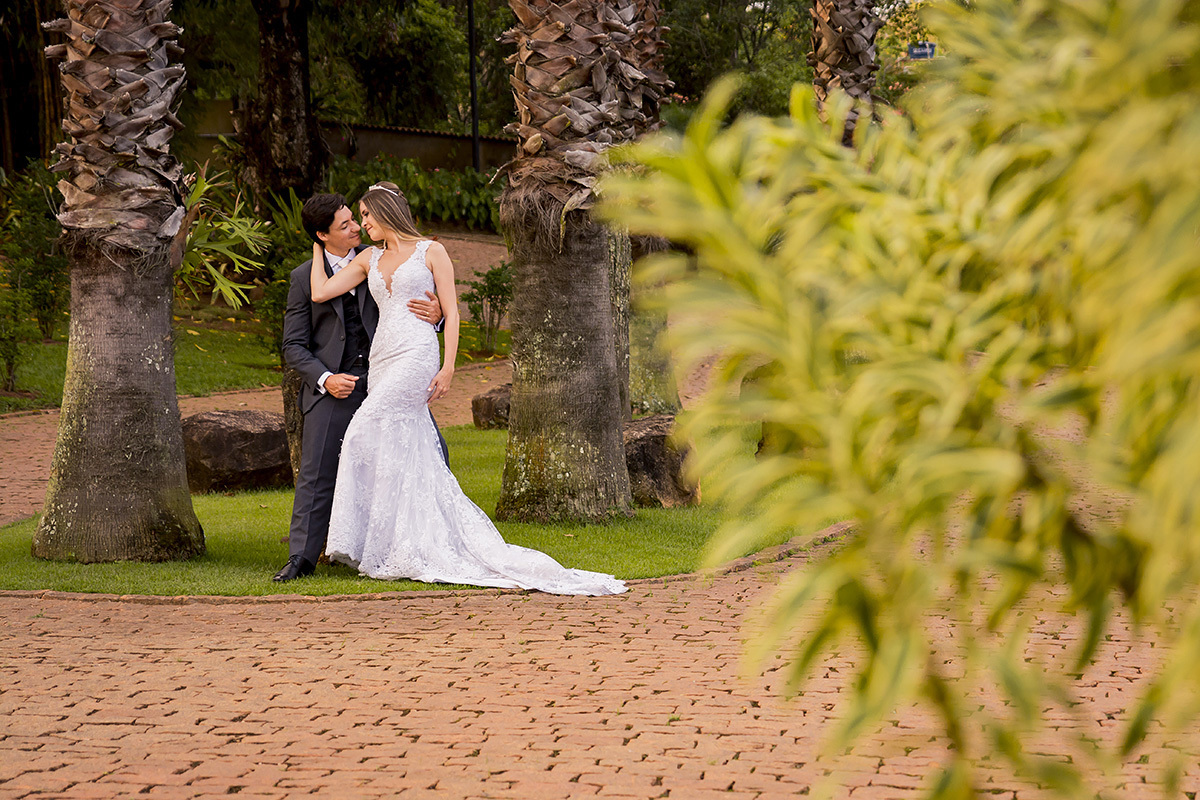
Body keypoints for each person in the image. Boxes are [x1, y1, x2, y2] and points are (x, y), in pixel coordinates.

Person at [309, 181, 627, 596]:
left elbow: (453, 312)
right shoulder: (369, 258)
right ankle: (398, 543)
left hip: (416, 354)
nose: (361, 224)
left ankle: (394, 541)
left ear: (386, 212)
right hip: (383, 359)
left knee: (362, 432)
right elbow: (320, 291)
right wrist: (317, 247)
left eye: (366, 216)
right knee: (402, 445)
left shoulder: (431, 251)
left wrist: (448, 366)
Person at [273, 192, 448, 583]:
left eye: (355, 219)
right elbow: (293, 345)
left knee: (434, 450)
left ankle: (427, 541)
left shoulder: (383, 259)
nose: (356, 227)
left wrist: (436, 315)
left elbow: (423, 305)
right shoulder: (305, 277)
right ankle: (302, 557)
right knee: (318, 470)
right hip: (336, 384)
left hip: (389, 376)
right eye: (345, 224)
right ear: (322, 235)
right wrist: (325, 378)